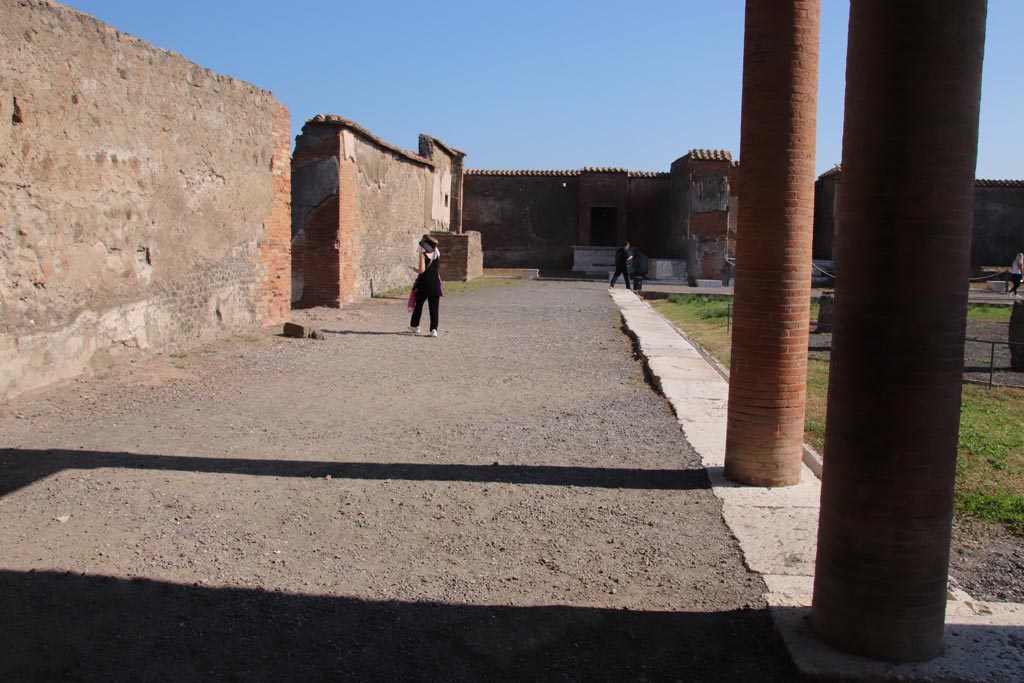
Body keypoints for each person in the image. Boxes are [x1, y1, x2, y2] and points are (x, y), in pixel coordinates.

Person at [408, 234, 442, 336]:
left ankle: (415, 326)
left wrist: (415, 269)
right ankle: (434, 330)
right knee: (434, 308)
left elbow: (422, 270)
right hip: (435, 284)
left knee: (419, 305)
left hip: (424, 284)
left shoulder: (422, 255)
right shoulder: (436, 255)